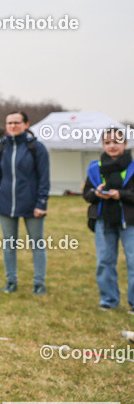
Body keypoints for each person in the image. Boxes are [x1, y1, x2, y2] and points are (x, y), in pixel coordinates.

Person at [0, 112, 50, 294]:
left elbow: (44, 178)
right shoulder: (0, 148)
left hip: (32, 205)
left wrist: (41, 203)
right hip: (6, 204)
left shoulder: (37, 148)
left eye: (17, 122)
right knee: (9, 245)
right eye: (9, 123)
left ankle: (39, 283)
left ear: (26, 124)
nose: (13, 126)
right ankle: (11, 281)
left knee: (37, 243)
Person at [82, 128, 134, 313]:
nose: (112, 146)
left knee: (133, 262)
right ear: (103, 145)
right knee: (104, 261)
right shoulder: (95, 168)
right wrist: (96, 193)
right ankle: (108, 300)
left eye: (116, 142)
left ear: (125, 144)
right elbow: (86, 194)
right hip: (104, 221)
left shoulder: (132, 166)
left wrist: (120, 194)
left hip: (130, 222)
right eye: (107, 142)